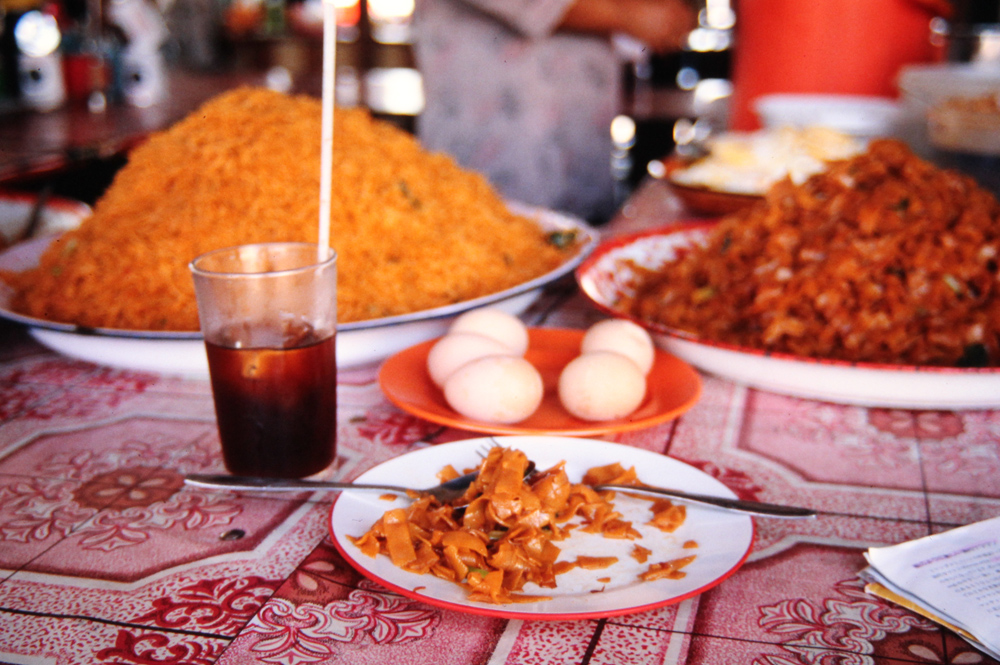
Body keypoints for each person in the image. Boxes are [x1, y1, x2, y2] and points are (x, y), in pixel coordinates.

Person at [413, 0, 697, 224]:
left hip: (579, 147)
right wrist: (623, 15)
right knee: (493, 244)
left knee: (580, 248)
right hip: (499, 146)